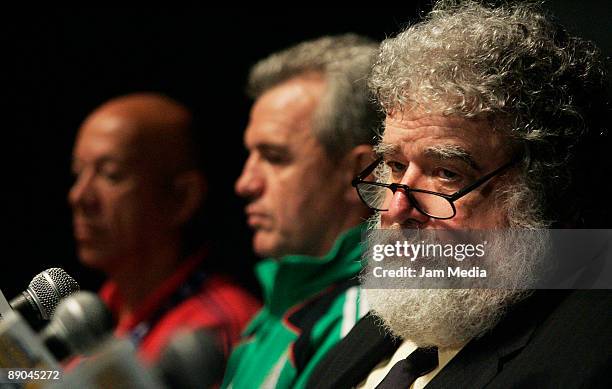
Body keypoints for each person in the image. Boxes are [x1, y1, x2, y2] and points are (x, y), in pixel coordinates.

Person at [307, 1, 612, 388]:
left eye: (446, 174)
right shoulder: (386, 324)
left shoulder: (584, 359)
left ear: (543, 189)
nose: (398, 208)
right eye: (396, 166)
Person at [222, 34, 381, 389]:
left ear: (360, 173)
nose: (245, 183)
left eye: (275, 158)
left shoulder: (362, 321)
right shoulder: (280, 305)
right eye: (250, 155)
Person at [69, 92, 260, 364]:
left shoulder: (214, 328)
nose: (79, 196)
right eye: (78, 173)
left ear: (183, 198)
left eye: (111, 174)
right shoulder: (95, 315)